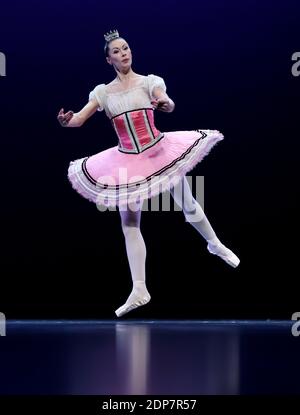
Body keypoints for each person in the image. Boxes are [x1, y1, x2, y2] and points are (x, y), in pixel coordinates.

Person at [57, 29, 240, 318]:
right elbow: (79, 119)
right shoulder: (103, 93)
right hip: (127, 160)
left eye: (126, 47)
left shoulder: (149, 82)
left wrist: (166, 104)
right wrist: (67, 122)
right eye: (116, 51)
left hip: (158, 152)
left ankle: (214, 244)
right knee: (129, 223)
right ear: (109, 60)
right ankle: (139, 289)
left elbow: (166, 100)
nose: (123, 53)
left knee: (188, 205)